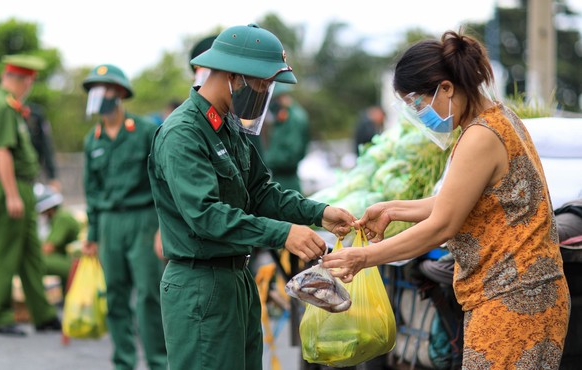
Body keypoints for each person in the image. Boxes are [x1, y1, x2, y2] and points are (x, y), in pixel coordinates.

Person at [322, 30, 570, 369]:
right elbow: (453, 201)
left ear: (447, 88)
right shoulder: (495, 119)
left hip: (515, 299)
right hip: (517, 294)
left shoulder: (481, 136)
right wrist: (392, 209)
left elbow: (443, 224)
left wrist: (364, 257)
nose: (420, 115)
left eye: (419, 105)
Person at [147, 23, 356, 370]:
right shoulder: (183, 133)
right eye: (262, 82)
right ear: (234, 75)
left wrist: (319, 213)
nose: (266, 91)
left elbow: (260, 191)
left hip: (236, 279)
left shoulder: (229, 125)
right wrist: (283, 234)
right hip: (201, 283)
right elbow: (206, 215)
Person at [81, 64, 167, 370]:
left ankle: (158, 361)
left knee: (147, 294)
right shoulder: (93, 139)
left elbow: (161, 181)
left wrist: (162, 228)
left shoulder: (144, 131)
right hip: (108, 224)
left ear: (118, 93)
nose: (97, 95)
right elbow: (91, 191)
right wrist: (92, 236)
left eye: (103, 88)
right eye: (93, 89)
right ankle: (123, 361)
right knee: (115, 295)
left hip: (143, 220)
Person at [0, 54, 62, 336]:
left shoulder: (9, 106)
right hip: (9, 187)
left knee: (31, 254)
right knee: (5, 252)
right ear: (20, 79)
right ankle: (1, 316)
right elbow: (2, 152)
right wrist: (12, 194)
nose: (29, 88)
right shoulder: (2, 106)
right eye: (29, 82)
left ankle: (44, 314)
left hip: (21, 186)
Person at [0, 101, 60, 199]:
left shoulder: (35, 113)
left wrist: (52, 176)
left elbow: (46, 146)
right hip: (6, 175)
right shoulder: (2, 111)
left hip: (30, 174)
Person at [262, 83, 310, 193]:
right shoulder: (284, 118)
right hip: (280, 177)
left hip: (287, 179)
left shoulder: (293, 119)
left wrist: (266, 162)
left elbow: (290, 156)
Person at [34, 183, 80, 295]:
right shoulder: (58, 218)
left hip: (75, 263)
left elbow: (48, 248)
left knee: (36, 262)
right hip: (68, 259)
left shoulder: (62, 218)